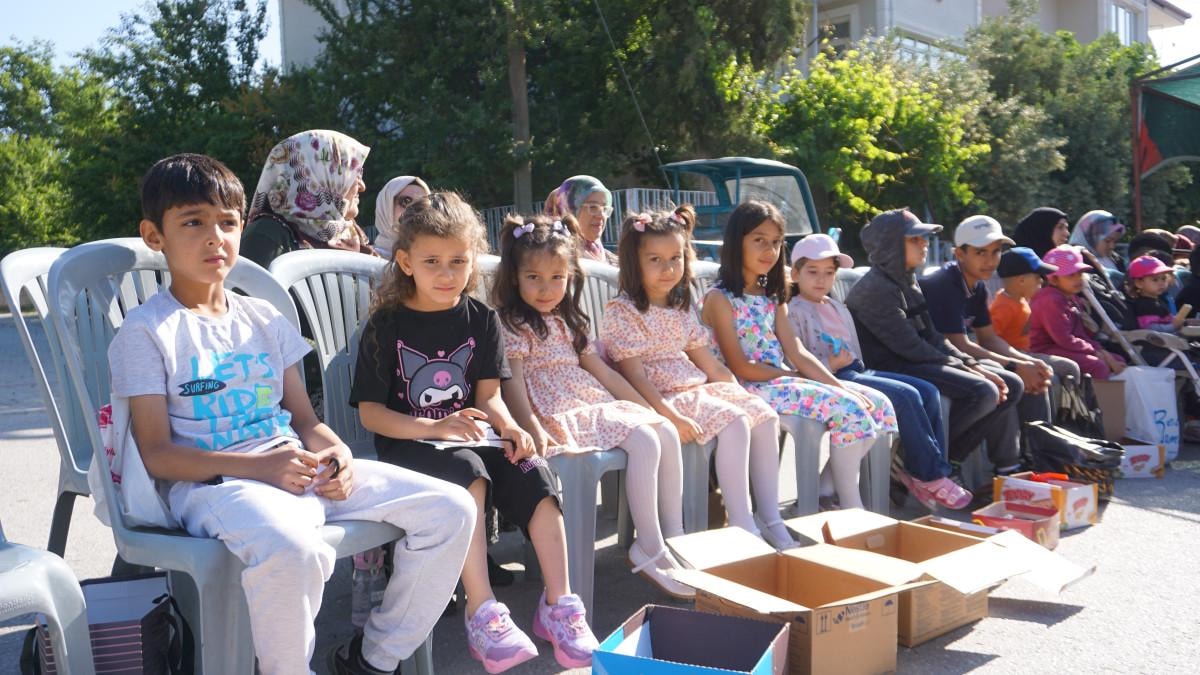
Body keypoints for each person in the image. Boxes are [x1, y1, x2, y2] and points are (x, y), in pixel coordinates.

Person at [112, 154, 474, 675]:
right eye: (193, 222)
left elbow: (305, 422)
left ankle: (372, 659)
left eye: (227, 223)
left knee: (451, 509)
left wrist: (337, 454)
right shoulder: (147, 331)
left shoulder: (264, 318)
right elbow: (159, 456)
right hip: (216, 486)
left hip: (296, 468)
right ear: (154, 235)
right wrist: (261, 468)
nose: (215, 238)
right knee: (293, 548)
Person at [350, 192, 585, 673]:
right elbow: (371, 415)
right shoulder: (387, 325)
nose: (447, 274)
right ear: (406, 262)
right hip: (409, 443)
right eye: (432, 262)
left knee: (532, 468)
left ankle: (559, 606)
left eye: (458, 261)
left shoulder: (481, 318)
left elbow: (489, 396)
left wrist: (510, 426)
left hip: (468, 436)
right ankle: (482, 611)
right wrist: (433, 425)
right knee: (468, 470)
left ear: (473, 260)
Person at [492, 213, 695, 603]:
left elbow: (602, 371)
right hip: (555, 410)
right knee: (644, 440)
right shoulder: (513, 323)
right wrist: (530, 424)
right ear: (514, 277)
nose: (547, 288)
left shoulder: (568, 320)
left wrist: (646, 408)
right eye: (534, 277)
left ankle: (674, 537)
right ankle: (649, 547)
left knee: (664, 430)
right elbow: (511, 382)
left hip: (590, 401)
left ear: (570, 276)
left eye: (557, 277)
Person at [599, 206, 797, 545]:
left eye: (675, 258)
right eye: (655, 260)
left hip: (693, 389)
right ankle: (742, 523)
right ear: (634, 261)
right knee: (735, 422)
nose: (668, 269)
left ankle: (769, 517)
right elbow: (635, 378)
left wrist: (740, 392)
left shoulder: (680, 307)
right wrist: (671, 416)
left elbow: (710, 365)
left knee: (763, 415)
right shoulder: (624, 311)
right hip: (662, 396)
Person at [702, 200, 896, 511]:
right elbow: (740, 366)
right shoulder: (719, 298)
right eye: (759, 240)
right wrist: (793, 376)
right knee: (849, 409)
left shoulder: (772, 294)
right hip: (746, 387)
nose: (770, 250)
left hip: (778, 382)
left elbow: (797, 350)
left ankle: (822, 491)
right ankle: (852, 507)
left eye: (776, 242)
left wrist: (839, 386)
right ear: (737, 242)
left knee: (879, 404)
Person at [787, 234, 971, 510]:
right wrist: (830, 366)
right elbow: (795, 362)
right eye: (812, 272)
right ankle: (929, 475)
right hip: (830, 378)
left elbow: (854, 351)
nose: (821, 280)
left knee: (928, 390)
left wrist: (856, 368)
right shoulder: (793, 311)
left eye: (829, 272)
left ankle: (921, 468)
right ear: (795, 273)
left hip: (855, 371)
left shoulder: (836, 306)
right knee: (905, 396)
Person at [844, 208, 1025, 479]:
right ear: (891, 245)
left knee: (1012, 384)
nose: (924, 244)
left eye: (924, 238)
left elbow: (934, 338)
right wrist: (972, 370)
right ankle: (917, 463)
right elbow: (912, 348)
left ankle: (948, 460)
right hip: (892, 367)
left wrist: (972, 364)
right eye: (914, 239)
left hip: (915, 361)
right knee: (983, 391)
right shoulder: (875, 289)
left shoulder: (906, 280)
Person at [919, 215, 1050, 423]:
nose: (990, 261)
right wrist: (1015, 366)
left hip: (957, 359)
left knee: (1037, 372)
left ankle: (1038, 439)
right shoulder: (943, 284)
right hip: (930, 361)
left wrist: (1028, 361)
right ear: (960, 254)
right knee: (1008, 380)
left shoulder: (978, 285)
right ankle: (1002, 446)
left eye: (995, 251)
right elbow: (957, 344)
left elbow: (989, 338)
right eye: (980, 252)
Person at [242, 130, 377, 268]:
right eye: (355, 174)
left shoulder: (349, 233)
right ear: (320, 176)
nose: (362, 186)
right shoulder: (266, 235)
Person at [1029, 246, 1127, 379]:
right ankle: (1098, 393)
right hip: (1043, 348)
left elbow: (1079, 333)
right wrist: (1095, 352)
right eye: (1071, 275)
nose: (1078, 279)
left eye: (1080, 274)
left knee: (1118, 359)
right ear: (1054, 279)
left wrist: (1101, 351)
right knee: (1097, 366)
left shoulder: (1072, 298)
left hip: (1062, 345)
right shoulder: (1050, 301)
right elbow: (1064, 339)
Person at [990, 248, 1083, 385]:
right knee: (1063, 369)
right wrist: (1019, 362)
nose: (1042, 281)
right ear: (1021, 281)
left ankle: (1071, 399)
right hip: (1013, 356)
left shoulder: (1021, 299)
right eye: (1038, 277)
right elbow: (990, 341)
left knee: (1070, 367)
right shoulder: (1003, 307)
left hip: (1026, 352)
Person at [544, 175, 618, 265]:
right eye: (593, 207)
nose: (601, 215)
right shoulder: (554, 260)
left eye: (605, 208)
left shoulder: (614, 260)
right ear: (568, 210)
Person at [373, 175, 431, 259]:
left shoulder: (439, 259)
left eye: (422, 204)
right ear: (386, 207)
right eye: (406, 202)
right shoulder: (365, 259)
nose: (415, 210)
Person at [1125, 255, 1185, 332]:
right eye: (1155, 280)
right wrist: (1173, 326)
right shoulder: (1143, 306)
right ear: (1139, 283)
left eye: (1163, 278)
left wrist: (1183, 322)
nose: (1161, 283)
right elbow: (1150, 329)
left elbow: (1167, 319)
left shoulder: (1158, 300)